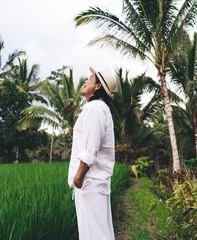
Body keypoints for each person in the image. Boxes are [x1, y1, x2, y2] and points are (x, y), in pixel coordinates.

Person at [68, 67, 117, 240]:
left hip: (89, 183)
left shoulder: (94, 109)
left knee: (95, 235)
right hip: (94, 183)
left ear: (97, 87)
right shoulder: (100, 108)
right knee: (99, 233)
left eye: (90, 78)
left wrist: (78, 177)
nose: (85, 81)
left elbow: (91, 148)